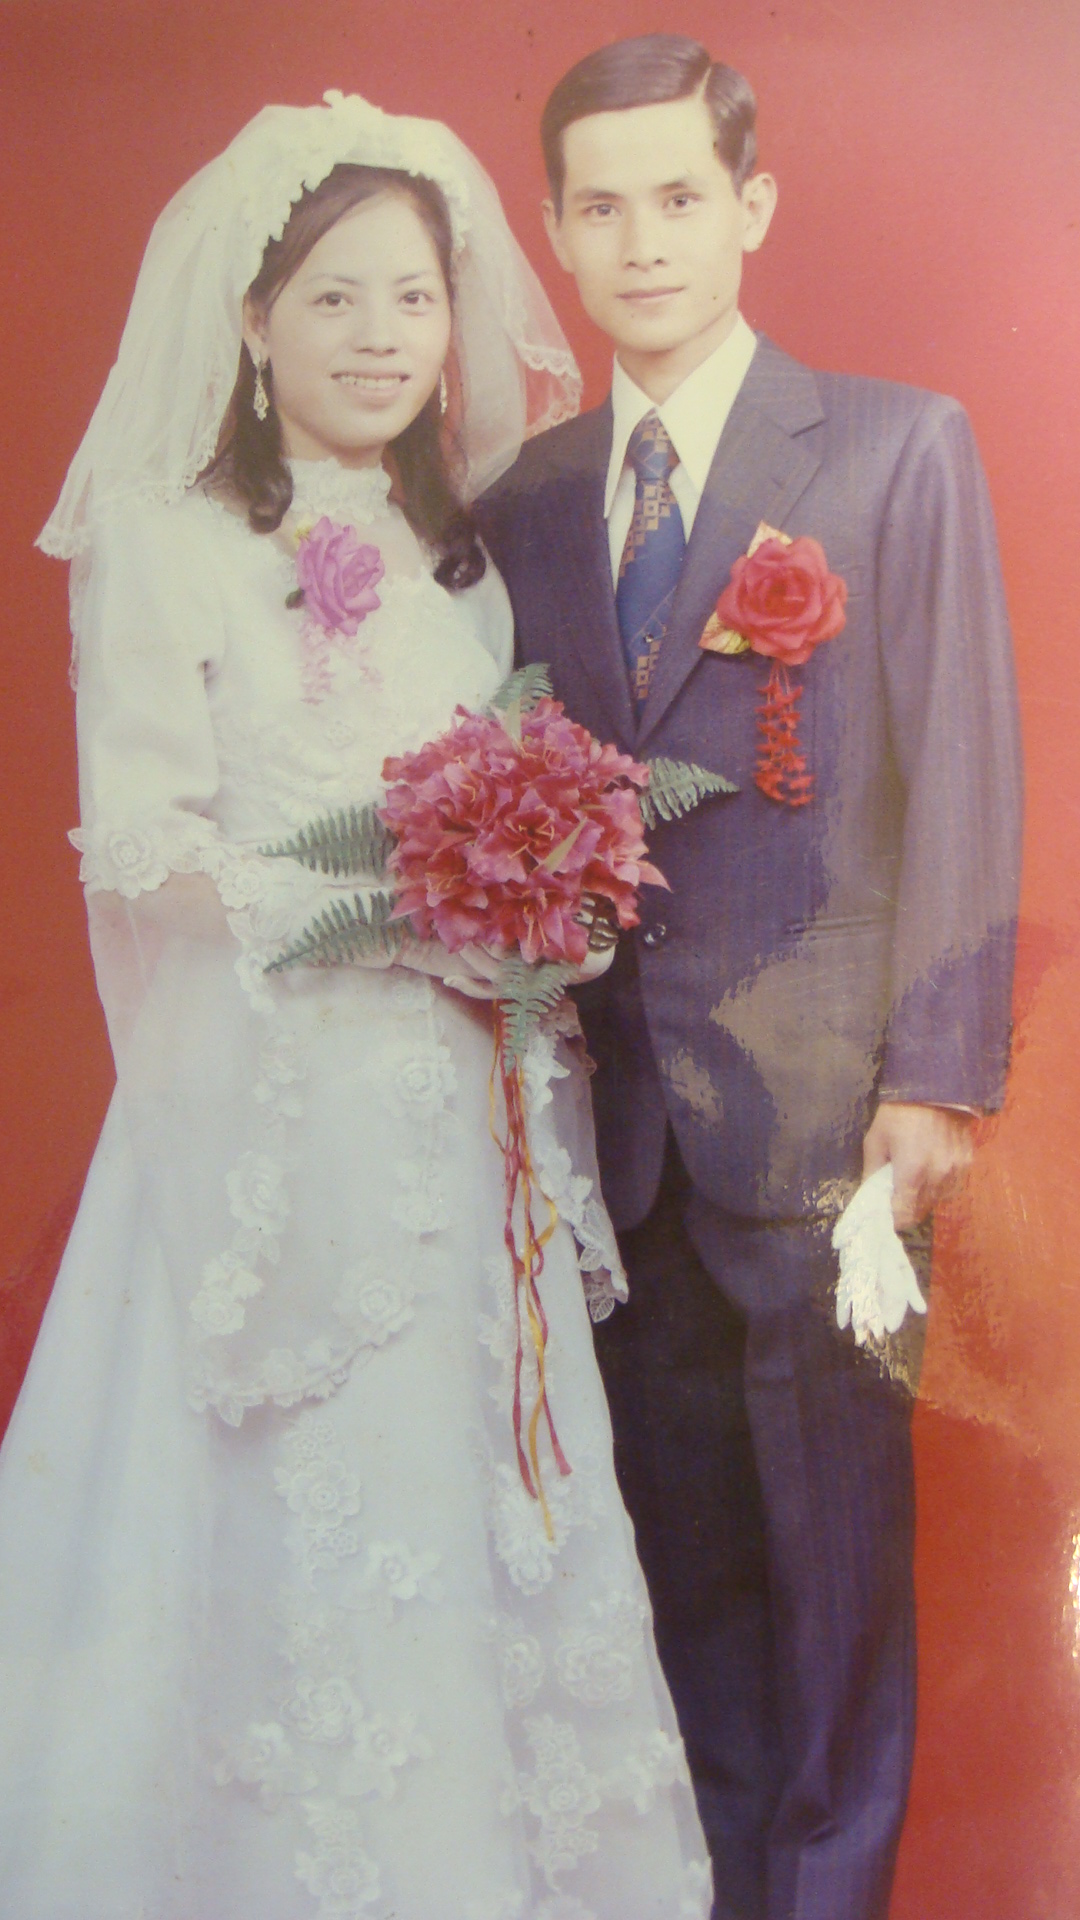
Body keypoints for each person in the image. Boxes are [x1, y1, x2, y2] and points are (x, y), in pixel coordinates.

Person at [0, 92, 712, 1920]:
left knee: (467, 1502)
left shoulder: (455, 560)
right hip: (261, 1114)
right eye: (333, 298)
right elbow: (141, 845)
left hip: (460, 1129)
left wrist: (533, 905)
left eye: (413, 297)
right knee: (278, 1504)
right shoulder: (164, 537)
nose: (383, 337)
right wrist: (402, 914)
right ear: (252, 320)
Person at [476, 33, 1023, 1920]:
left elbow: (962, 768)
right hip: (617, 1148)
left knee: (839, 1589)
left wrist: (936, 1079)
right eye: (600, 207)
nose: (642, 242)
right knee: (680, 1583)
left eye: (680, 199)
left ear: (753, 208)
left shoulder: (890, 448)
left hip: (826, 1136)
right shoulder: (531, 495)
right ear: (554, 230)